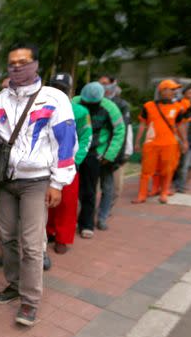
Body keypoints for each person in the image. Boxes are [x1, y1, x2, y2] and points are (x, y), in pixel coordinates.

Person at [0, 43, 76, 326]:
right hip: (6, 182)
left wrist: (59, 183)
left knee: (33, 244)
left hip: (37, 182)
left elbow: (66, 143)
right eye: (12, 62)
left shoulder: (54, 99)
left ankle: (30, 301)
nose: (17, 67)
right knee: (7, 238)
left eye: (24, 61)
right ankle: (13, 285)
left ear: (36, 64)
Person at [46, 73, 92, 254]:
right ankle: (48, 232)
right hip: (46, 164)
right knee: (46, 201)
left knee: (67, 203)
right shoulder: (41, 108)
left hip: (68, 164)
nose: (59, 91)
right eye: (55, 87)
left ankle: (63, 238)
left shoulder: (80, 112)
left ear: (70, 90)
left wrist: (76, 161)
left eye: (63, 88)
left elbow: (86, 136)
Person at [72, 82, 124, 237]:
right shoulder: (74, 103)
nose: (89, 106)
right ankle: (70, 220)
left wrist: (109, 154)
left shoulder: (110, 108)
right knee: (71, 190)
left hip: (95, 153)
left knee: (89, 190)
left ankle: (86, 224)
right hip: (74, 152)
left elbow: (119, 131)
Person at [133, 79, 188, 204]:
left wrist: (184, 142)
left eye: (176, 89)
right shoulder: (148, 106)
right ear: (163, 91)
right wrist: (137, 142)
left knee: (167, 170)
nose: (175, 92)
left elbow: (180, 126)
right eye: (172, 89)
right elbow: (142, 124)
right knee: (146, 171)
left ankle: (164, 192)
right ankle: (142, 195)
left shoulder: (178, 107)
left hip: (170, 144)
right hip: (151, 144)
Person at [99, 75, 132, 209]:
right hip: (98, 151)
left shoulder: (121, 105)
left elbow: (125, 130)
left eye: (105, 83)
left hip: (115, 152)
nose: (102, 86)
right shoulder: (93, 101)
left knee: (114, 187)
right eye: (100, 83)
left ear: (113, 84)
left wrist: (124, 152)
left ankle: (105, 212)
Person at [173, 87, 191, 192]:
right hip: (181, 138)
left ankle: (180, 185)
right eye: (190, 92)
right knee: (181, 163)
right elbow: (181, 124)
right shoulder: (181, 105)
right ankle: (178, 185)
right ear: (184, 94)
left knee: (186, 164)